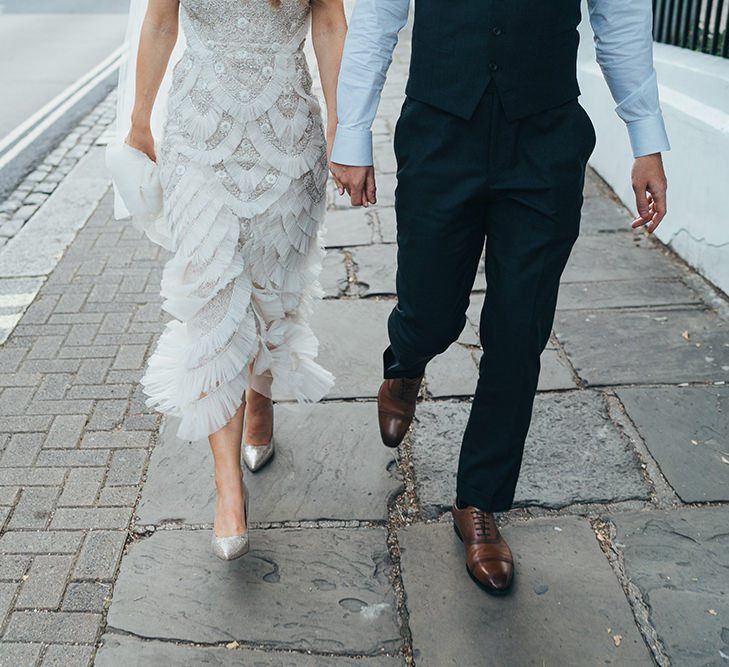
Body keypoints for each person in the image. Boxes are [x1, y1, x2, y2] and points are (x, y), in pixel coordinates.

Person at [330, 0, 669, 593]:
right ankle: (406, 364)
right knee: (430, 311)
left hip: (544, 142)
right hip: (440, 131)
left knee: (519, 332)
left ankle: (479, 502)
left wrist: (646, 140)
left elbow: (621, 19)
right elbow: (380, 16)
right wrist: (353, 132)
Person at [118, 0, 346, 560]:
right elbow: (161, 20)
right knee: (215, 299)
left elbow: (331, 20)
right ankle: (228, 493)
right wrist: (140, 120)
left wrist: (343, 119)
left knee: (271, 294)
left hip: (287, 132)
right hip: (199, 136)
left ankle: (260, 398)